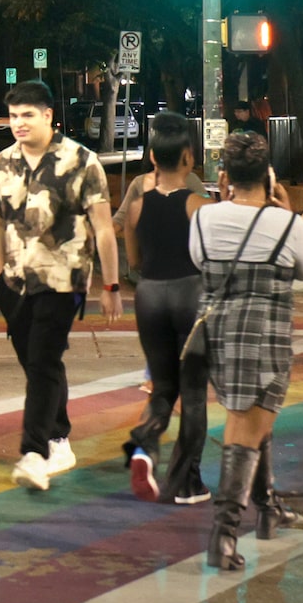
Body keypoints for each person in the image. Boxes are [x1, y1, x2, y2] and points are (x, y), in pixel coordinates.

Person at [0, 81, 121, 493]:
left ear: (48, 116)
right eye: (14, 116)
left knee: (41, 360)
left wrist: (111, 284)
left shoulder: (82, 161)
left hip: (63, 278)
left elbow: (104, 229)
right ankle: (59, 438)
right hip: (15, 283)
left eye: (28, 115)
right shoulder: (2, 164)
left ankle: (34, 452)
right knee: (41, 364)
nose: (19, 123)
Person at [191, 133, 303, 568]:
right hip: (266, 338)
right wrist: (285, 215)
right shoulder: (286, 224)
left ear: (225, 177)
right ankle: (223, 535)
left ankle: (269, 510)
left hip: (219, 337)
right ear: (269, 178)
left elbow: (199, 261)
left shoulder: (204, 220)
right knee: (246, 428)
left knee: (253, 419)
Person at [113, 112, 210, 504]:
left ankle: (145, 443)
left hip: (149, 296)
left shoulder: (136, 207)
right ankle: (187, 482)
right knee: (194, 392)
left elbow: (133, 262)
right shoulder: (198, 206)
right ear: (188, 159)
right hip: (189, 293)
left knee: (163, 386)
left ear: (152, 157)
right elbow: (210, 259)